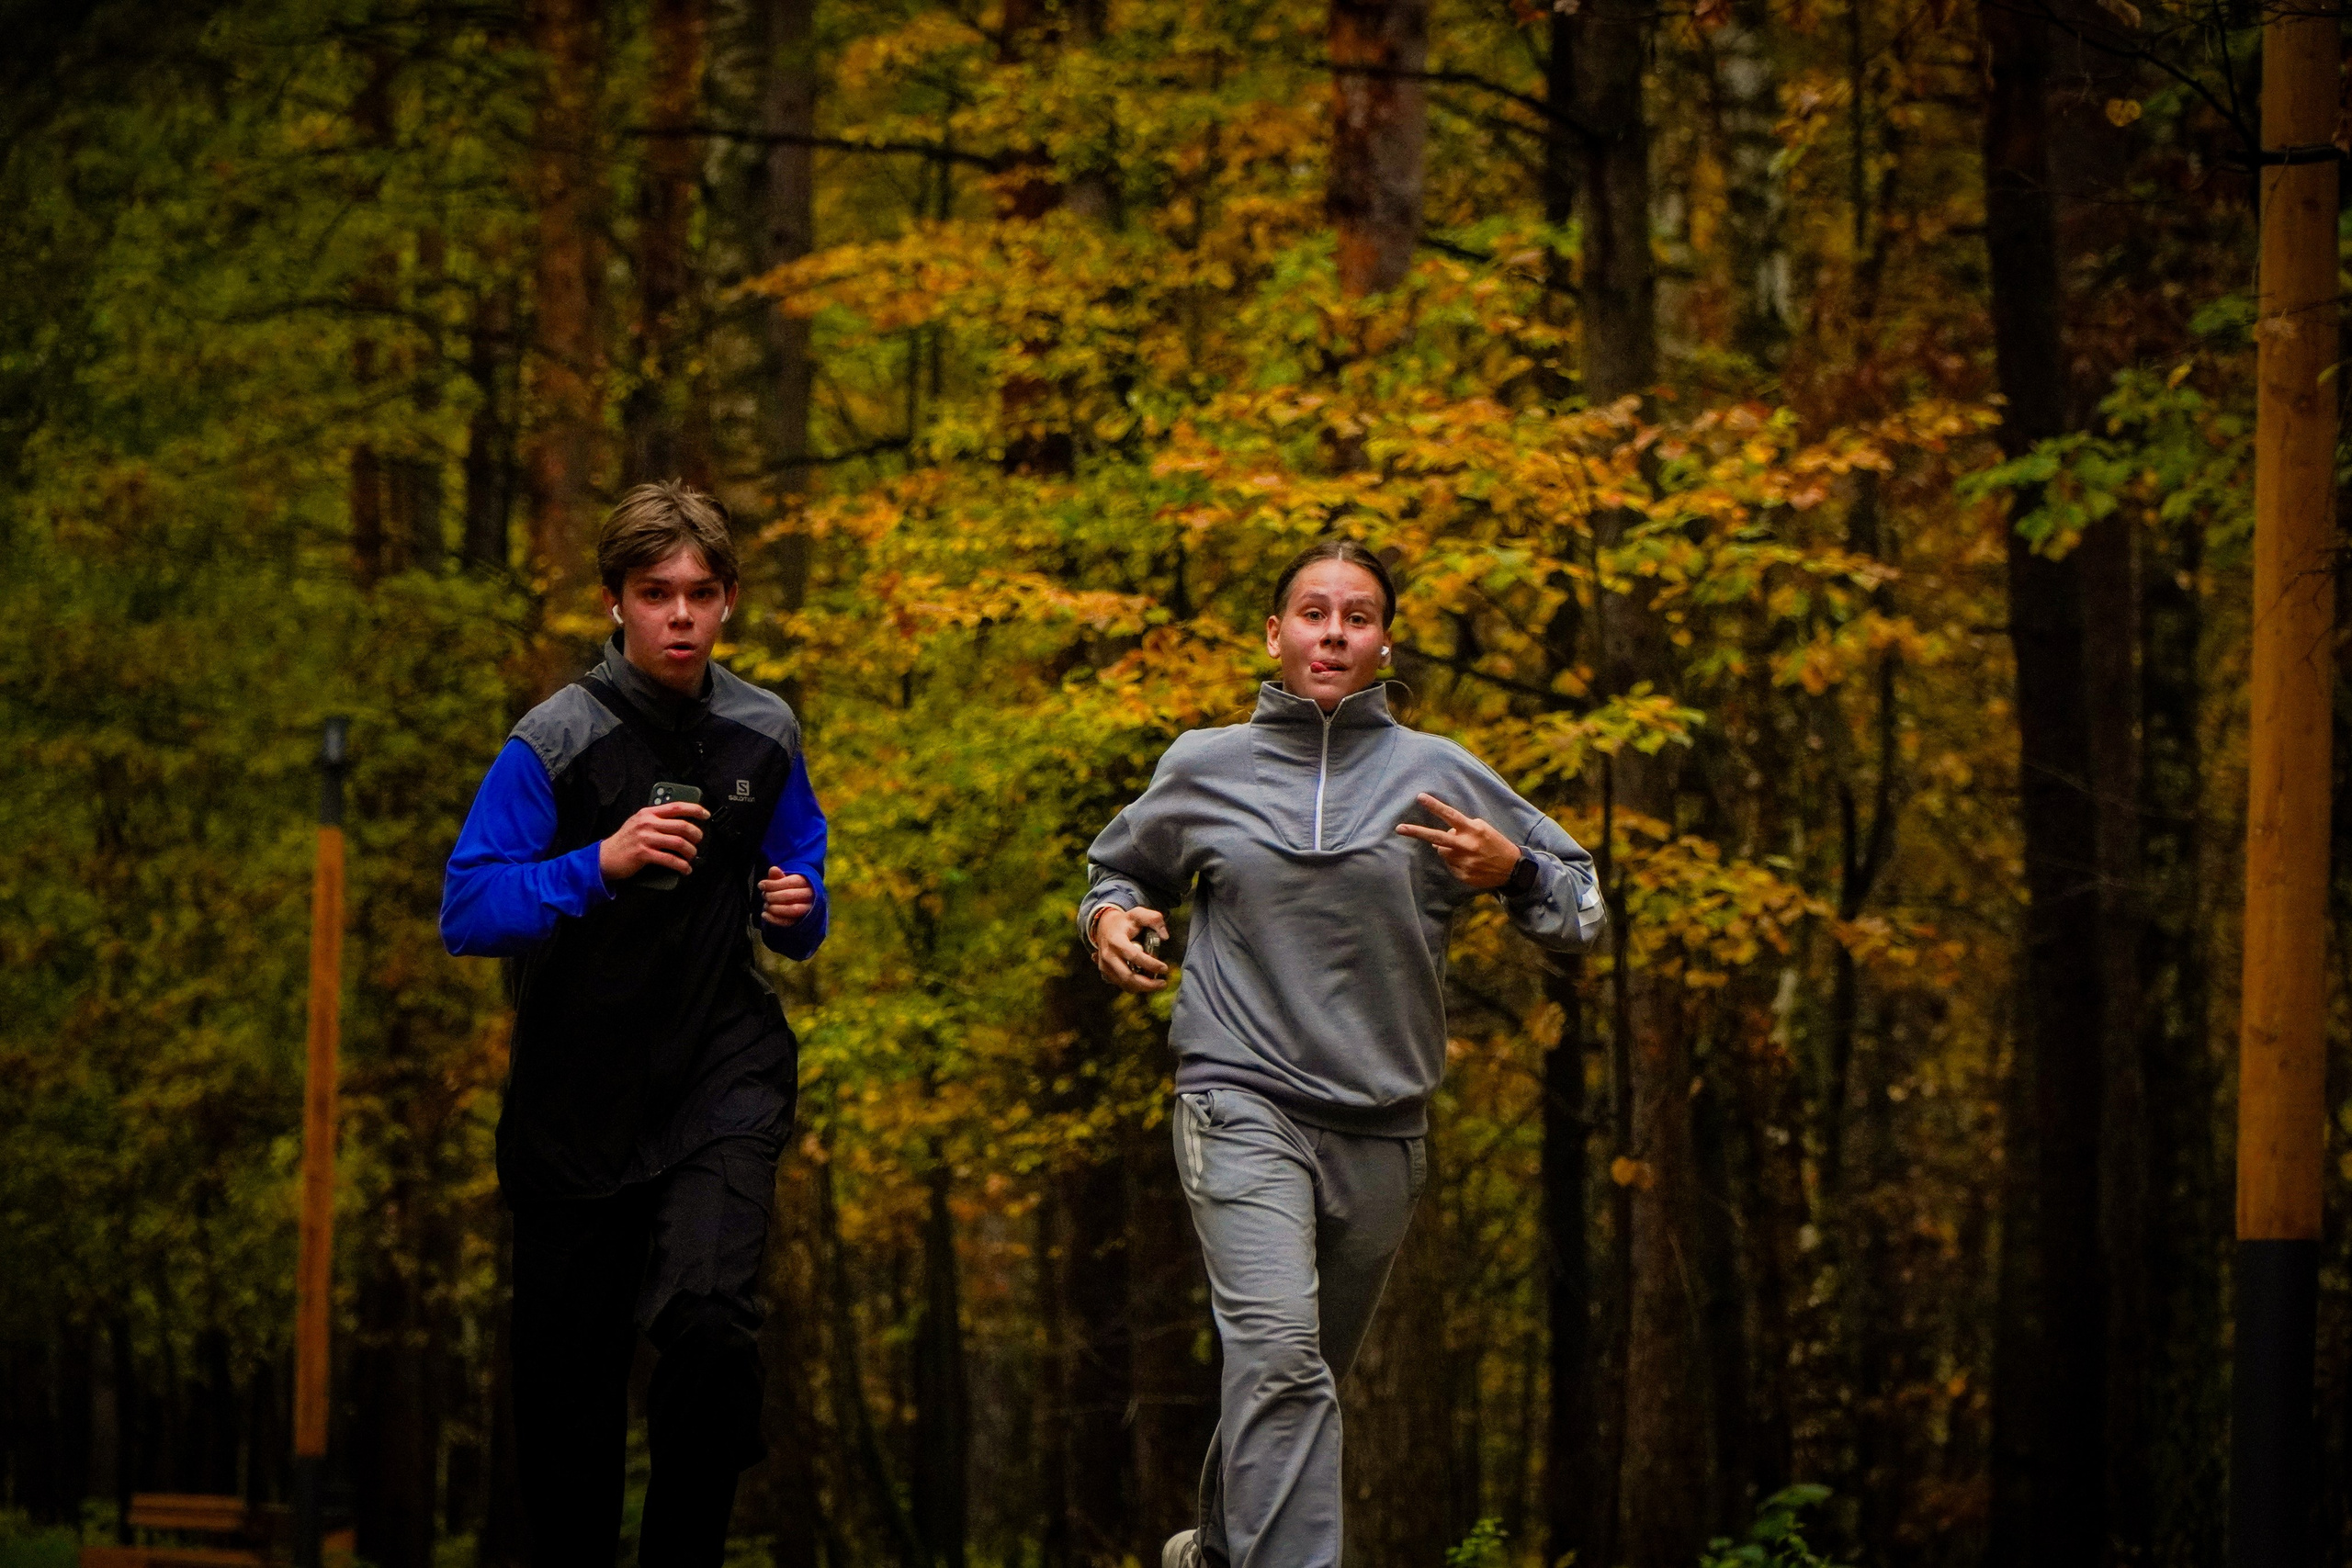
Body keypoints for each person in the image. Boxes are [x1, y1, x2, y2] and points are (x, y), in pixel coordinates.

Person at [1078, 539, 1608, 1568]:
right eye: (1311, 614)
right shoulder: (1202, 765)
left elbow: (1582, 911)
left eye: (1355, 617)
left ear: (1383, 644)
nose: (1331, 632)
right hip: (1237, 1097)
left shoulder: (1438, 773)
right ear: (1272, 636)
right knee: (1277, 1354)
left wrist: (1513, 872)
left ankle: (1221, 1552)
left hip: (1381, 1124)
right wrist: (1110, 921)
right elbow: (1116, 872)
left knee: (1297, 1372)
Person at [439, 481, 828, 1568]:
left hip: (720, 1073)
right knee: (569, 1424)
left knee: (711, 1328)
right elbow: (468, 908)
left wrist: (798, 906)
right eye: (655, 594)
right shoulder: (553, 744)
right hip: (577, 1103)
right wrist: (597, 864)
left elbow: (800, 876)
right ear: (614, 601)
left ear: (729, 602)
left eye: (701, 594)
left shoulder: (763, 730)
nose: (680, 617)